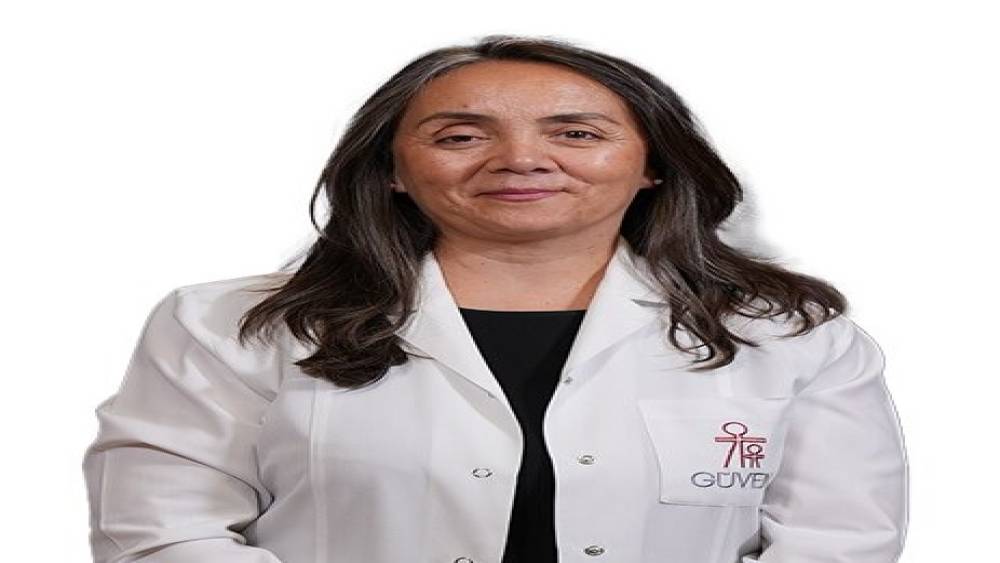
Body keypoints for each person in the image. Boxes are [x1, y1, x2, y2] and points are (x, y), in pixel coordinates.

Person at [81, 34, 909, 563]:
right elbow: (163, 531)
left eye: (576, 132)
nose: (520, 159)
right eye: (460, 135)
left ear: (653, 164)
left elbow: (839, 542)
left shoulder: (790, 337)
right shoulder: (229, 327)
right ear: (393, 169)